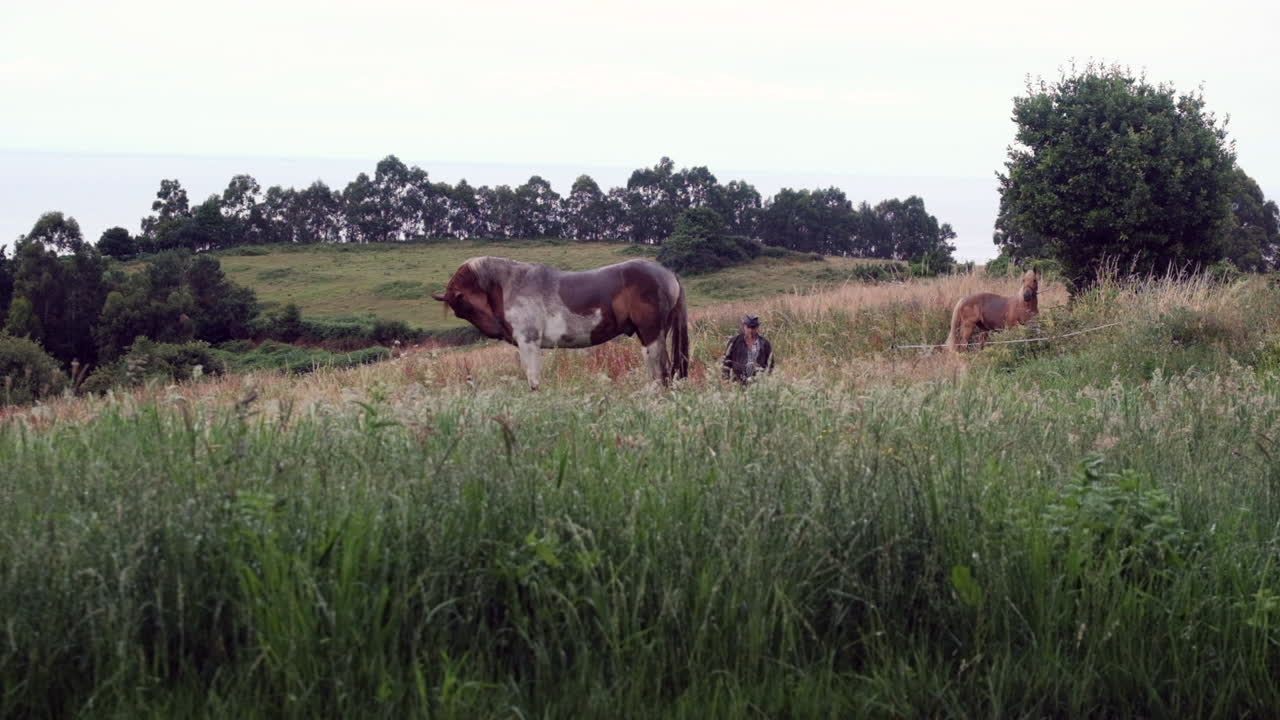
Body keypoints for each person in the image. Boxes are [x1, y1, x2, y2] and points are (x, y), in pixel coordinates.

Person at [721, 315, 774, 383]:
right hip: (737, 382)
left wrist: (767, 381)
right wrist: (725, 380)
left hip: (758, 383)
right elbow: (726, 361)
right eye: (748, 327)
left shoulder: (764, 343)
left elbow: (770, 364)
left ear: (757, 328)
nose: (750, 330)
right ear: (744, 326)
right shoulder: (734, 341)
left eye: (753, 327)